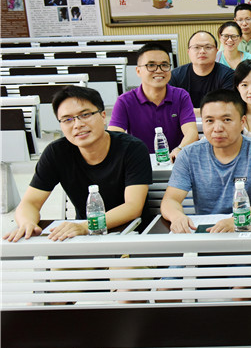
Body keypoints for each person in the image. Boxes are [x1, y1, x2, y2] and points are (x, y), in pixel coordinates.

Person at [4, 87, 151, 242]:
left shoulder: (132, 148)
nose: (77, 124)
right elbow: (30, 203)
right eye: (67, 119)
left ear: (103, 116)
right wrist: (27, 223)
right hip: (83, 239)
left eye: (85, 115)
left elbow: (132, 207)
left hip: (132, 234)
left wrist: (86, 226)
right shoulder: (57, 152)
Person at [161, 90, 251, 233]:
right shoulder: (189, 155)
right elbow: (170, 200)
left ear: (242, 122)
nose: (217, 128)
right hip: (207, 233)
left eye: (227, 120)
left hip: (250, 230)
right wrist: (177, 217)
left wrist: (236, 221)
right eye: (209, 121)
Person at [109, 43, 198, 162]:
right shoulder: (125, 101)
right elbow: (114, 136)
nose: (159, 70)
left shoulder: (181, 96)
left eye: (164, 65)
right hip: (138, 163)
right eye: (151, 65)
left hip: (177, 161)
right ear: (138, 71)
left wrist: (180, 149)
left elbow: (191, 132)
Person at [169, 31, 235, 110]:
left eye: (208, 47)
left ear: (216, 51)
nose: (202, 51)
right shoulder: (175, 75)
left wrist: (188, 111)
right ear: (188, 52)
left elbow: (227, 107)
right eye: (196, 47)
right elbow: (170, 107)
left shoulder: (228, 75)